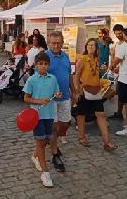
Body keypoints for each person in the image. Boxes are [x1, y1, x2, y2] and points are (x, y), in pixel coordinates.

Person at [23, 51, 62, 188]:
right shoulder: (32, 79)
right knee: (40, 142)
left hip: (50, 115)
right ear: (35, 65)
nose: (43, 66)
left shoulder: (53, 79)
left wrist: (57, 94)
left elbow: (56, 93)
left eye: (45, 64)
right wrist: (39, 101)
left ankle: (35, 156)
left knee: (45, 140)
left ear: (48, 65)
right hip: (37, 116)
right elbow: (26, 98)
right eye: (40, 64)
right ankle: (45, 173)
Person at [73, 38, 117, 150]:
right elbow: (76, 76)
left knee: (101, 115)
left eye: (93, 45)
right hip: (84, 90)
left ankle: (107, 142)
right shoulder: (82, 59)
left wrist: (103, 70)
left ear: (96, 48)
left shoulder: (97, 59)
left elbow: (96, 74)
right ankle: (81, 137)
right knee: (81, 115)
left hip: (95, 90)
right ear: (86, 47)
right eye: (89, 45)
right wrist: (77, 92)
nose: (91, 47)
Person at [46, 31, 75, 171]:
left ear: (62, 43)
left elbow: (69, 74)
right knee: (54, 127)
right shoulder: (44, 57)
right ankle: (55, 153)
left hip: (65, 97)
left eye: (59, 43)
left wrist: (73, 91)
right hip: (51, 99)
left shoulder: (65, 56)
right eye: (53, 43)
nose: (56, 45)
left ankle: (52, 141)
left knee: (64, 125)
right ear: (49, 43)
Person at [109, 24, 126, 119]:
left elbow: (126, 59)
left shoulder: (126, 44)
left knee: (121, 93)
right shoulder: (116, 44)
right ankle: (119, 112)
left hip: (124, 72)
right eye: (117, 34)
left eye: (120, 33)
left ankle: (120, 113)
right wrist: (113, 66)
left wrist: (118, 68)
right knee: (119, 92)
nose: (118, 35)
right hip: (118, 72)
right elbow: (114, 57)